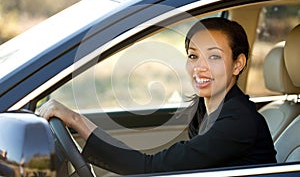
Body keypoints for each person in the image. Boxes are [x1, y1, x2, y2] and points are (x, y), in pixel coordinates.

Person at [39, 17, 277, 175]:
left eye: (213, 57)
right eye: (193, 56)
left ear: (238, 64)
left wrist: (75, 119)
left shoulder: (239, 122)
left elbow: (150, 168)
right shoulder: (206, 109)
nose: (199, 68)